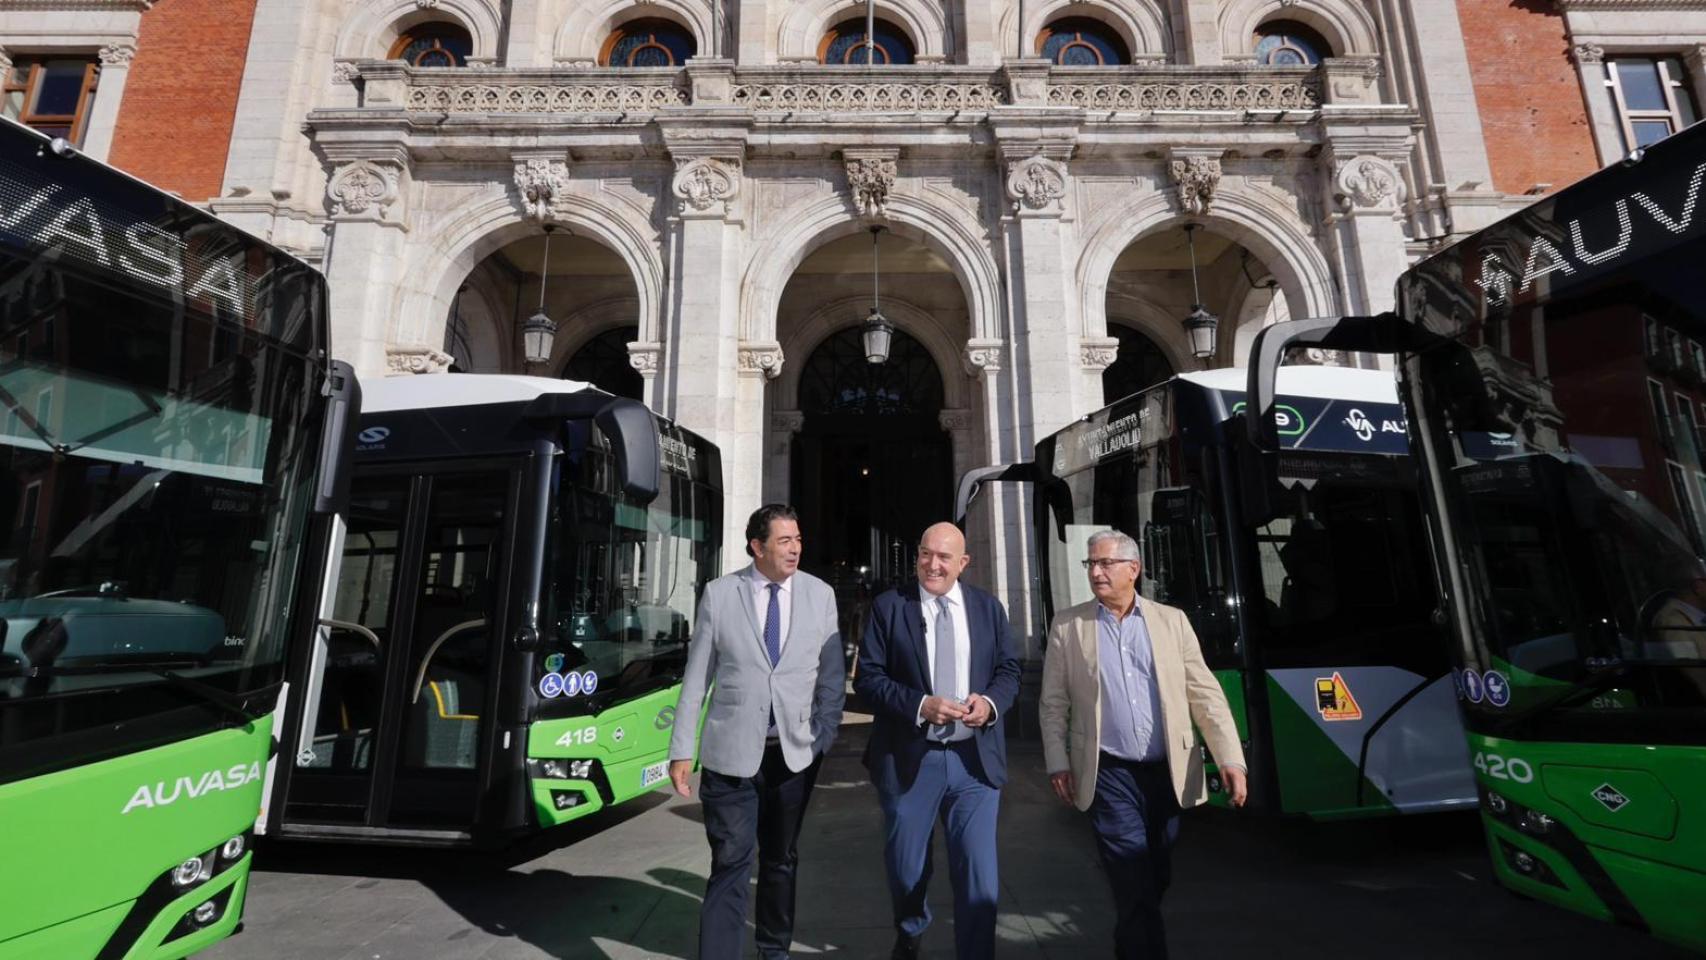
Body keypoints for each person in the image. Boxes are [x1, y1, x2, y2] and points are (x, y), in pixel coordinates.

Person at [1039, 529, 1247, 960]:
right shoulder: (1069, 626)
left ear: (1133, 569)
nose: (1095, 572)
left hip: (1168, 771)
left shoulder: (1172, 622)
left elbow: (1203, 693)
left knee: (1155, 870)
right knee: (1130, 871)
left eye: (1105, 564)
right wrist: (1058, 761)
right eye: (1090, 564)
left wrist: (1230, 757)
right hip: (1108, 771)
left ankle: (1129, 938)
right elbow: (1053, 702)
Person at [668, 504, 845, 960]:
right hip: (730, 756)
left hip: (794, 755)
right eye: (785, 540)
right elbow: (697, 677)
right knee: (730, 861)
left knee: (780, 861)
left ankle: (773, 950)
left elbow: (831, 675)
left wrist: (823, 733)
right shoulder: (720, 594)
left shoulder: (820, 595)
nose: (795, 549)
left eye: (799, 539)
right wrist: (681, 748)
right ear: (757, 546)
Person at [854, 522, 1021, 960]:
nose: (933, 564)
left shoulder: (987, 609)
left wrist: (989, 702)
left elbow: (1009, 671)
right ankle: (911, 928)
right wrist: (919, 704)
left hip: (974, 762)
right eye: (926, 554)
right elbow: (868, 680)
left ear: (962, 563)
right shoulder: (890, 608)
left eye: (944, 557)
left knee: (978, 875)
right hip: (911, 758)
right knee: (907, 868)